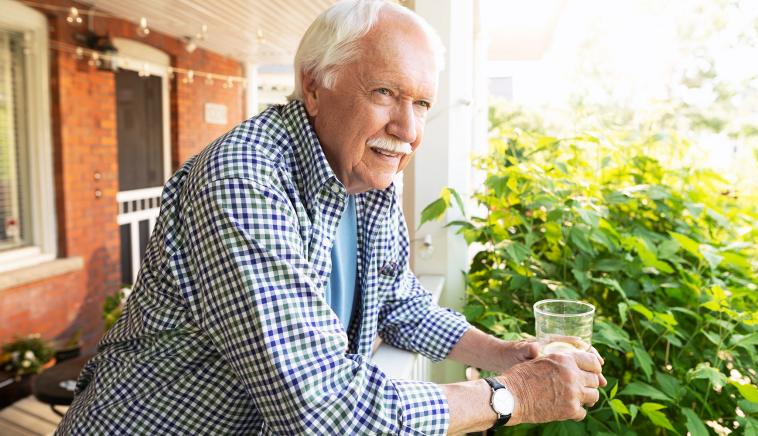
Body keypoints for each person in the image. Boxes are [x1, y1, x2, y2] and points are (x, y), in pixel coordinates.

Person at [56, 1, 606, 434]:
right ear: (315, 86)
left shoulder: (366, 173)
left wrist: (505, 353)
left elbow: (397, 300)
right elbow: (323, 412)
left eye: (421, 105)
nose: (408, 130)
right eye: (386, 92)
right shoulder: (244, 181)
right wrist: (511, 395)